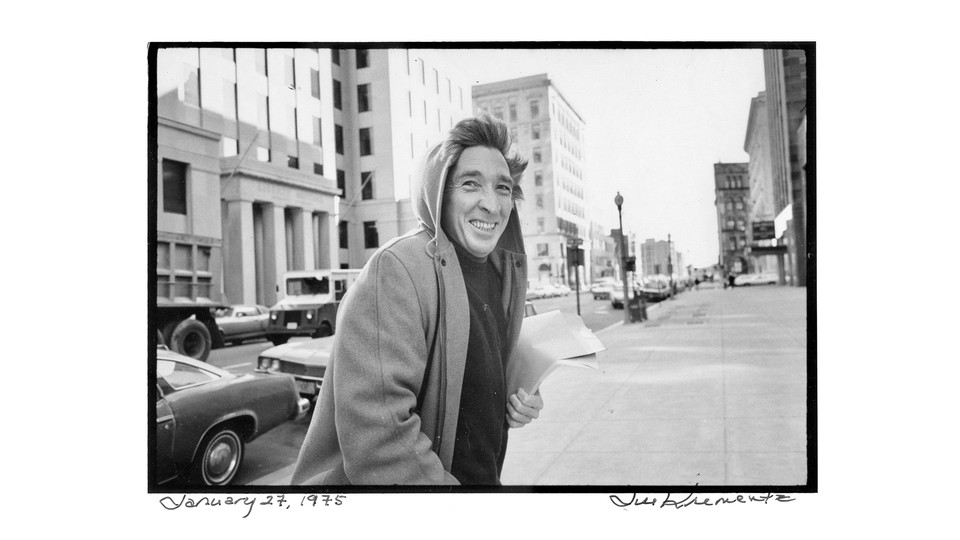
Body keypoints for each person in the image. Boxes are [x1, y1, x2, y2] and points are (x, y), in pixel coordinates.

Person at [290, 115, 544, 486]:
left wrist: (517, 399)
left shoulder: (497, 274)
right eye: (471, 184)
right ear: (438, 191)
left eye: (502, 188)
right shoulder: (397, 269)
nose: (492, 204)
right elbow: (381, 438)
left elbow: (468, 384)